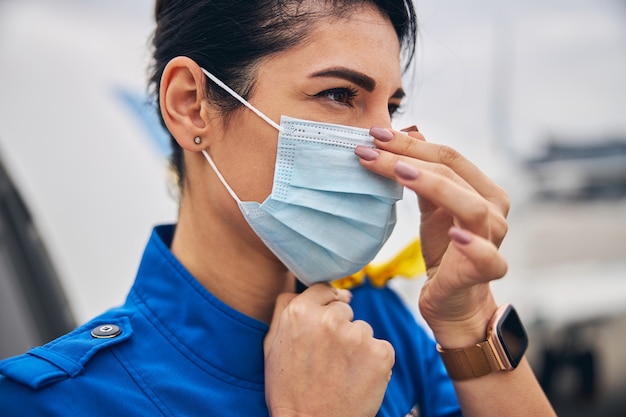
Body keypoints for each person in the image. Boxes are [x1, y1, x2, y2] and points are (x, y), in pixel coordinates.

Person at [0, 1, 557, 416]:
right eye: (340, 95)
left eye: (390, 106)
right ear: (192, 106)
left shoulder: (382, 329)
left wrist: (466, 321)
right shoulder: (56, 401)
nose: (383, 145)